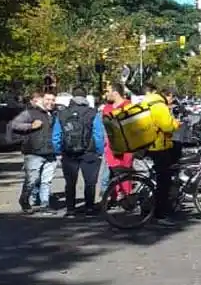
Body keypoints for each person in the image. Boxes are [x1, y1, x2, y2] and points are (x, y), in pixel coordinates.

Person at [52, 86, 105, 217]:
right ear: (85, 97)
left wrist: (58, 151)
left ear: (72, 97)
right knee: (90, 182)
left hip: (69, 153)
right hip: (89, 152)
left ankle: (70, 209)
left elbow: (56, 135)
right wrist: (99, 151)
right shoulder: (93, 113)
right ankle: (89, 208)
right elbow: (98, 134)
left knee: (70, 182)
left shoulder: (62, 113)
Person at [10, 91, 57, 214]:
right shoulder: (31, 113)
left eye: (53, 100)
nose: (50, 102)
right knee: (32, 180)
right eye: (48, 99)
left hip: (50, 153)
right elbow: (14, 125)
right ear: (42, 100)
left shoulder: (54, 114)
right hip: (33, 153)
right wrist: (31, 126)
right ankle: (24, 200)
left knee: (46, 181)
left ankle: (45, 205)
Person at [142, 84, 181, 226]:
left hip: (148, 145)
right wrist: (176, 124)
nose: (172, 102)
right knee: (163, 181)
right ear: (168, 95)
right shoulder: (159, 105)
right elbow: (167, 126)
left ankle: (149, 205)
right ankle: (160, 214)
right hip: (158, 146)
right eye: (172, 98)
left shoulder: (148, 102)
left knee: (158, 177)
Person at [100, 83, 134, 195]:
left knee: (125, 172)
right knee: (113, 172)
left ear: (115, 93)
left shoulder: (129, 106)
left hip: (126, 146)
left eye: (108, 92)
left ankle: (126, 196)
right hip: (110, 147)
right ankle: (113, 196)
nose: (106, 95)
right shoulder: (106, 108)